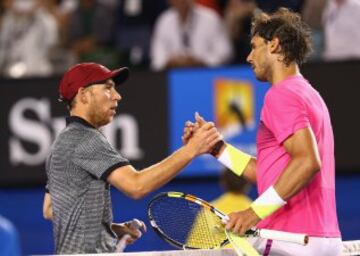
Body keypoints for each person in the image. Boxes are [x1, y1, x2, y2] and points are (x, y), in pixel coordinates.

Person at [184, 8, 341, 256]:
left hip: (290, 239)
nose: (248, 57)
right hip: (322, 239)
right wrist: (217, 149)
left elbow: (308, 161)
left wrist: (252, 213)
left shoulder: (281, 94)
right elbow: (271, 174)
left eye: (255, 46)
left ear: (274, 45)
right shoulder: (310, 94)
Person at [43, 62, 221, 254]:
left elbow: (51, 208)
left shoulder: (60, 143)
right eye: (108, 88)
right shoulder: (86, 139)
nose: (117, 96)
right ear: (83, 95)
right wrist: (192, 149)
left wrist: (108, 231)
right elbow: (137, 186)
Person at [150, 0, 233, 71]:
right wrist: (170, 61)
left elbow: (225, 54)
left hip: (205, 75)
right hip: (172, 76)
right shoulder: (164, 21)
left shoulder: (211, 18)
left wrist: (201, 61)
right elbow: (157, 59)